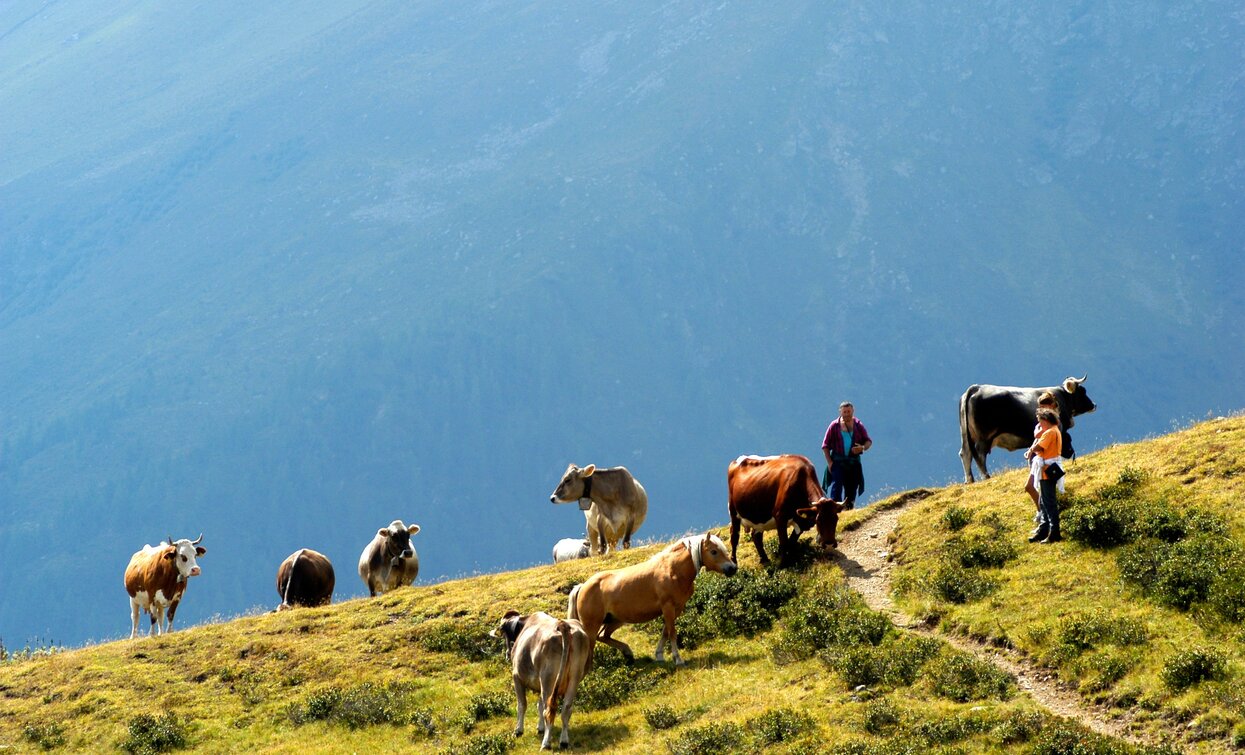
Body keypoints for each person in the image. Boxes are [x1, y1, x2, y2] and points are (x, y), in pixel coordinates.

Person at [821, 402, 872, 509]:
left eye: (849, 411)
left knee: (852, 487)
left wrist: (862, 448)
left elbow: (868, 441)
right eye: (844, 412)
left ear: (853, 411)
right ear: (840, 412)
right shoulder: (834, 426)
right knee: (837, 485)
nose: (847, 414)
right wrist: (830, 463)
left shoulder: (858, 425)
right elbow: (825, 445)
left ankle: (849, 509)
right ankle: (835, 510)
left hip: (853, 462)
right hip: (837, 461)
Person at [1026, 408, 1063, 543]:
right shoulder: (1055, 430)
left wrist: (1031, 449)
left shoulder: (1049, 432)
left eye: (1040, 422)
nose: (1040, 425)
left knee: (1048, 501)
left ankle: (1054, 532)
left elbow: (1040, 447)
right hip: (1049, 469)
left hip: (1046, 470)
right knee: (1044, 500)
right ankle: (1044, 529)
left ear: (1046, 420)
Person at [1024, 392, 1061, 520]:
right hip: (1039, 458)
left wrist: (1033, 447)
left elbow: (1038, 434)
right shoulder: (1046, 421)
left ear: (1051, 405)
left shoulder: (1052, 422)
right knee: (1035, 488)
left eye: (1044, 407)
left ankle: (1044, 517)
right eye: (1040, 407)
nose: (1042, 410)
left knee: (1036, 488)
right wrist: (1031, 451)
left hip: (1047, 462)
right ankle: (1043, 515)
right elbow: (1038, 435)